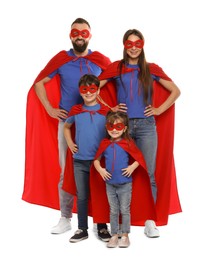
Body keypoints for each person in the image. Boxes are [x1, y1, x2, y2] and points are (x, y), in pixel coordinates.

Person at [22, 18, 115, 239]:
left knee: (98, 169)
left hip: (96, 122)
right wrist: (50, 109)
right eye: (75, 32)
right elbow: (39, 83)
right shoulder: (62, 60)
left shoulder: (100, 60)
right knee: (67, 170)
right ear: (70, 35)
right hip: (68, 122)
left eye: (84, 32)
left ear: (90, 36)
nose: (79, 35)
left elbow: (114, 80)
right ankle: (65, 217)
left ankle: (98, 221)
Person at [98, 29, 182, 237]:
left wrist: (159, 109)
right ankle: (117, 219)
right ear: (124, 45)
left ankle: (149, 221)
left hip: (146, 126)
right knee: (118, 171)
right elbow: (93, 88)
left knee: (148, 172)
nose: (134, 47)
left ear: (142, 45)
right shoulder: (116, 68)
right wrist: (111, 108)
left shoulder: (151, 68)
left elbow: (175, 91)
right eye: (129, 44)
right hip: (121, 128)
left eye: (138, 43)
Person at [63, 74, 111, 242]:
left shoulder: (106, 112)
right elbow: (67, 127)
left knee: (100, 194)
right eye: (85, 90)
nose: (89, 93)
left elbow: (114, 134)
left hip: (99, 162)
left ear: (98, 90)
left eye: (92, 89)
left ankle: (102, 227)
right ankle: (82, 229)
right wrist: (69, 143)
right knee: (82, 195)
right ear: (80, 91)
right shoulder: (76, 110)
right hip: (80, 161)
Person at [93, 111, 137, 248]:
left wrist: (131, 167)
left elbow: (139, 159)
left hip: (125, 183)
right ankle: (114, 235)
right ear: (107, 127)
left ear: (124, 128)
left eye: (118, 127)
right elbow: (96, 160)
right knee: (113, 210)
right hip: (110, 184)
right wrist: (100, 170)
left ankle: (125, 235)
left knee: (124, 210)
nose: (114, 130)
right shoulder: (105, 143)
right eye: (111, 126)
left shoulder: (128, 142)